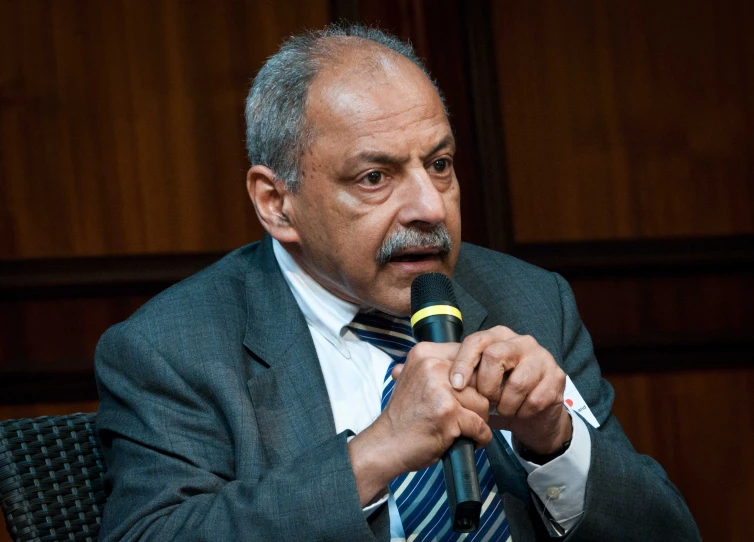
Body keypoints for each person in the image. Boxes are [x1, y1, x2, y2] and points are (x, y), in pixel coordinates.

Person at [95, 24, 700, 541]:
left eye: (439, 166)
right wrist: (375, 453)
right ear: (277, 202)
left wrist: (556, 441)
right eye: (375, 177)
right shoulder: (173, 348)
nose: (430, 208)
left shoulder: (532, 298)